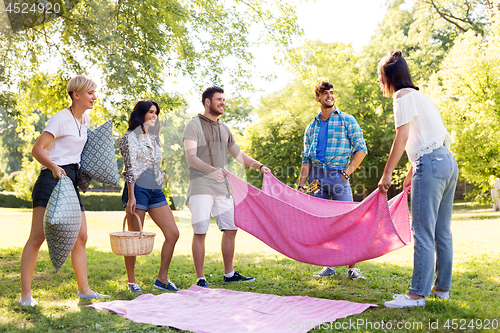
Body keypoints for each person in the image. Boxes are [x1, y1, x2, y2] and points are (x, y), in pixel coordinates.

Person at [376, 50, 458, 308]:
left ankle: (416, 295)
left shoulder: (401, 96)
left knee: (421, 230)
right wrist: (411, 172)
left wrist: (387, 173)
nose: (379, 82)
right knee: (441, 230)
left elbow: (402, 136)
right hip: (447, 162)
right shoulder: (422, 97)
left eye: (380, 77)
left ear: (389, 76)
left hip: (431, 164)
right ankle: (442, 289)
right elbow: (434, 136)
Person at [19, 75, 108, 306]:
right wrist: (54, 167)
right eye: (90, 93)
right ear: (76, 94)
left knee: (81, 236)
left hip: (71, 180)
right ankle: (25, 296)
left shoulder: (85, 120)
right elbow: (37, 150)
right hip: (52, 178)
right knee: (37, 237)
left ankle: (84, 291)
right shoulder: (60, 118)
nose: (94, 97)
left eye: (94, 93)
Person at [183, 86, 270, 288]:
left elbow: (238, 154)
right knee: (200, 231)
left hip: (222, 188)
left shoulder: (224, 128)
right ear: (207, 102)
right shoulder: (193, 125)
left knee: (231, 228)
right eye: (219, 99)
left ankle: (229, 274)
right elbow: (191, 157)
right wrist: (212, 170)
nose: (223, 103)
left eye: (224, 99)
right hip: (200, 186)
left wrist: (259, 165)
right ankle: (200, 278)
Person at [297, 81, 368, 280]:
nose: (329, 96)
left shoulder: (347, 120)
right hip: (315, 179)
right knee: (322, 223)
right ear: (317, 98)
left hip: (338, 176)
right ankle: (328, 265)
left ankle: (352, 268)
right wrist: (301, 185)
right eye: (325, 93)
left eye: (331, 93)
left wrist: (345, 174)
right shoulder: (311, 127)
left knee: (348, 221)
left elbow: (361, 148)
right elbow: (306, 160)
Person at [120, 100, 180, 293]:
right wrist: (131, 196)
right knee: (134, 239)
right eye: (151, 112)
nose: (155, 116)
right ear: (141, 114)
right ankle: (131, 282)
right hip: (137, 189)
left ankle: (162, 279)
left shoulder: (153, 138)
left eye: (156, 113)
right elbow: (129, 168)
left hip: (155, 190)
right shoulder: (129, 137)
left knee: (173, 234)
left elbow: (153, 161)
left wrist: (160, 172)